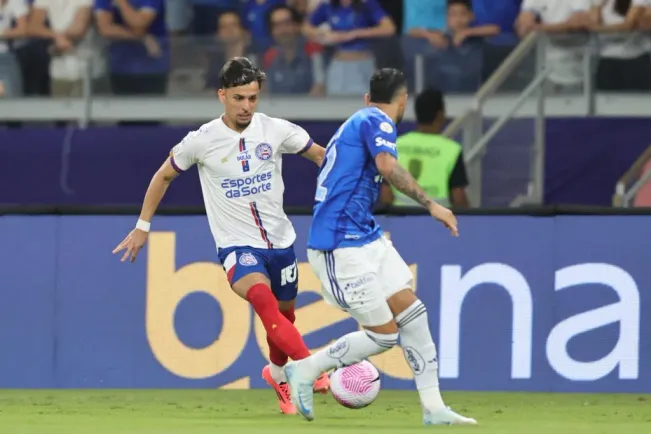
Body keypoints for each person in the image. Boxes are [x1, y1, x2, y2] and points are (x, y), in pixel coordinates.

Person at [112, 57, 330, 415]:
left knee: (284, 318)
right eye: (239, 98)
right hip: (237, 246)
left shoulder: (275, 130)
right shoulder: (202, 140)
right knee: (264, 302)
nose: (246, 106)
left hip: (281, 242)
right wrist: (142, 226)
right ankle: (310, 368)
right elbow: (162, 176)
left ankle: (276, 374)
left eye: (253, 98)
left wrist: (346, 181)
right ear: (222, 95)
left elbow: (321, 156)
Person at [283, 68, 477, 426]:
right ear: (403, 100)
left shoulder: (357, 122)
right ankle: (305, 370)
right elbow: (387, 167)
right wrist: (432, 204)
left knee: (413, 315)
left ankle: (434, 409)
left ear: (368, 97)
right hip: (339, 244)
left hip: (364, 235)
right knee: (383, 336)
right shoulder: (378, 121)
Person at [380, 88, 470, 208]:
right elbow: (459, 198)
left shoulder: (395, 145)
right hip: (437, 222)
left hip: (401, 222)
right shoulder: (451, 150)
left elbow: (386, 195)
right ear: (440, 114)